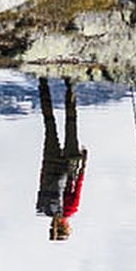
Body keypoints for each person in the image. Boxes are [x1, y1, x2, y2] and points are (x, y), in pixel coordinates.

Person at [36, 76, 87, 240]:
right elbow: (42, 182)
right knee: (49, 123)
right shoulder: (46, 208)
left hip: (70, 164)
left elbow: (78, 185)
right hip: (50, 164)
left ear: (66, 227)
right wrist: (45, 164)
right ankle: (43, 83)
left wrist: (84, 164)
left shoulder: (70, 209)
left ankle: (70, 87)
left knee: (71, 123)